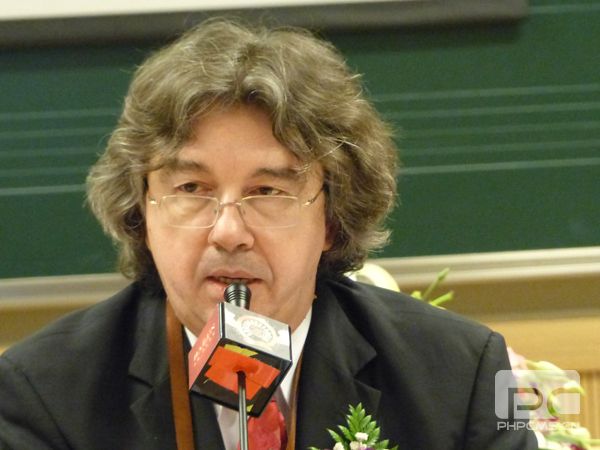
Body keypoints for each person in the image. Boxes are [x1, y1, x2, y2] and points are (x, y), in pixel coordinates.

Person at [0, 19, 538, 450]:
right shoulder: (42, 393)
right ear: (142, 211)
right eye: (191, 188)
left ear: (332, 218)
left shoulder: (461, 373)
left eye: (268, 191)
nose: (229, 232)